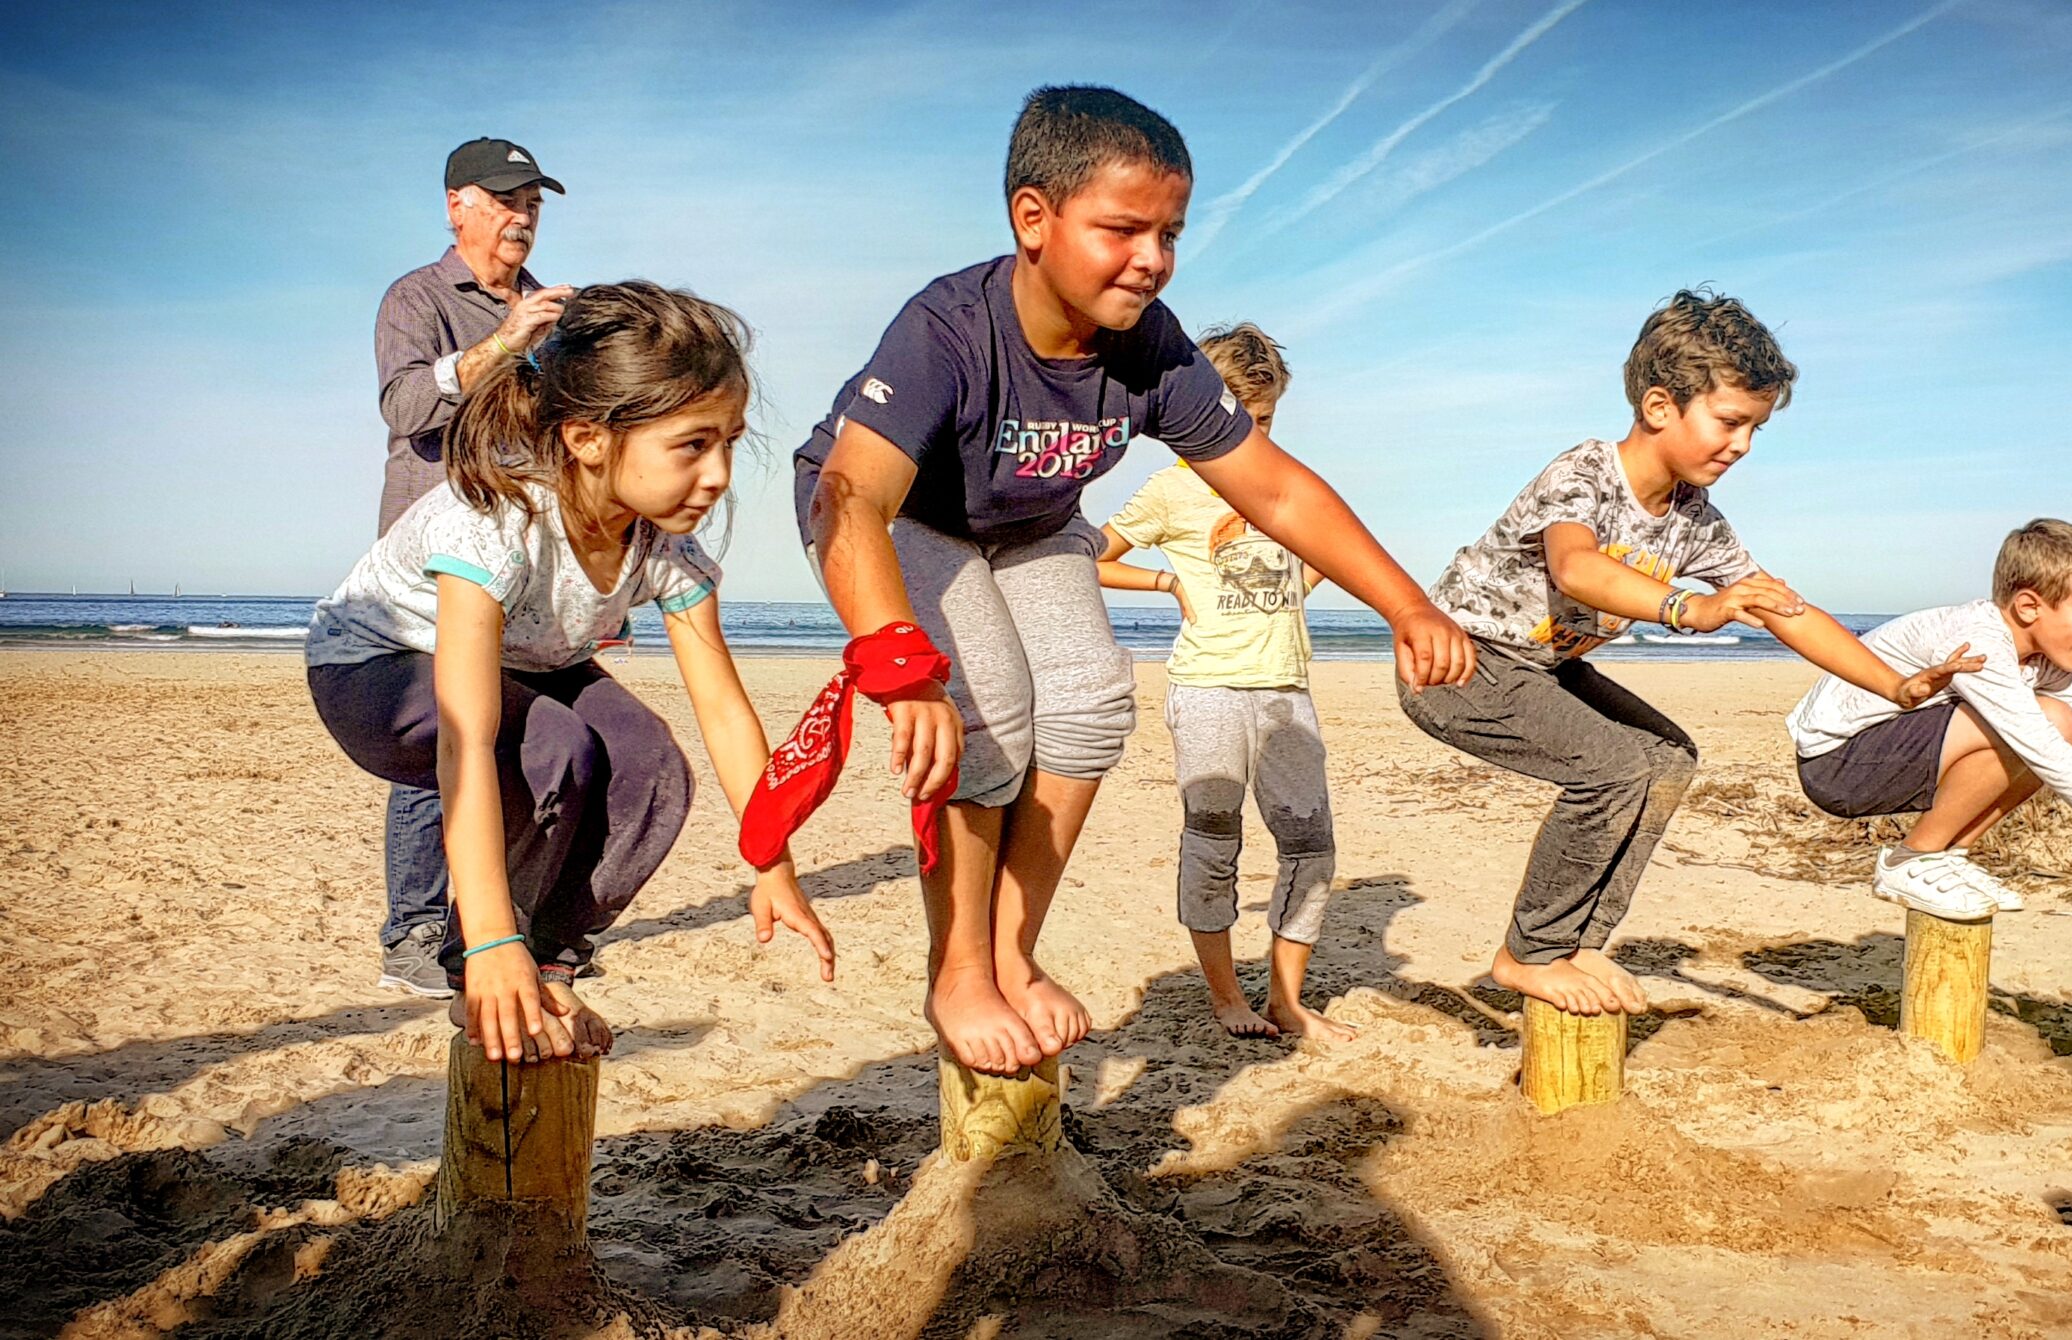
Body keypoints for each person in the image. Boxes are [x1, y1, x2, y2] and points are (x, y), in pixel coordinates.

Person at [784, 86, 1471, 1076]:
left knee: (1092, 704)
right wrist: (896, 654)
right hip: (896, 514)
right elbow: (852, 495)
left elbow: (1273, 490)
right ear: (1033, 218)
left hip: (1030, 520)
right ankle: (960, 968)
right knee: (992, 708)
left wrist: (1404, 603)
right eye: (1122, 229)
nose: (1151, 257)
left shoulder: (1150, 347)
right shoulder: (948, 327)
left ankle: (1013, 954)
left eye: (1170, 232)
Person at [1401, 290, 1980, 1018]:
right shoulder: (1584, 473)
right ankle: (1527, 956)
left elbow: (1785, 612)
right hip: (1459, 661)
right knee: (1611, 767)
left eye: (1754, 429)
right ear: (1659, 406)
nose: (1741, 445)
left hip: (1542, 666)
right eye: (1731, 422)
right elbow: (1576, 567)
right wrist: (1689, 607)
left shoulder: (1695, 519)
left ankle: (1579, 940)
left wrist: (1896, 687)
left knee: (1668, 758)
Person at [309, 282, 835, 1063]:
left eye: (730, 440)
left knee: (651, 766)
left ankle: (549, 961)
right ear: (589, 440)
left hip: (529, 665)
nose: (721, 472)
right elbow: (466, 737)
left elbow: (723, 709)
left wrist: (773, 861)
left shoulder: (664, 547)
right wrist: (488, 942)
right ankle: (481, 963)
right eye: (693, 444)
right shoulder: (499, 523)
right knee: (559, 746)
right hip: (374, 668)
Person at [1786, 519, 2072, 955]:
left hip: (1893, 756)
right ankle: (1911, 860)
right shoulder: (1978, 641)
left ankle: (1943, 857)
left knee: (2062, 724)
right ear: (2029, 607)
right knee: (2050, 726)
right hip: (1839, 762)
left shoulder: (2051, 661)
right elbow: (2049, 753)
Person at [1094, 324, 1353, 1041]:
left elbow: (1321, 552)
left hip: (1286, 689)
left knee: (1311, 848)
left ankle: (1287, 1000)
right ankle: (1225, 998)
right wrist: (1164, 579)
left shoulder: (1283, 479)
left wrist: (1305, 576)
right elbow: (1089, 557)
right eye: (1243, 419)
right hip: (1208, 689)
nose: (1256, 434)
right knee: (1213, 842)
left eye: (1267, 420)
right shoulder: (1171, 491)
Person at [366, 137, 579, 998]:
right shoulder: (415, 298)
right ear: (458, 205)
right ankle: (411, 935)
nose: (523, 216)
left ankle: (490, 923)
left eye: (533, 202)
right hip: (432, 556)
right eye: (506, 199)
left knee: (519, 739)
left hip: (529, 556)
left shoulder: (551, 307)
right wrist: (503, 341)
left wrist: (601, 586)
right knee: (441, 736)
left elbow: (570, 438)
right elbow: (407, 407)